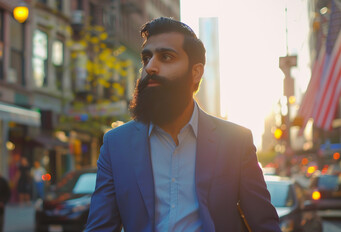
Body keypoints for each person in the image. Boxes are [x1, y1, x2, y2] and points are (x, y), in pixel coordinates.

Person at [85, 17, 281, 232]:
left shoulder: (236, 141)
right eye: (146, 58)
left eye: (166, 57)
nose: (150, 67)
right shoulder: (116, 144)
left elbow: (264, 224)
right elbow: (100, 227)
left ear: (196, 72)